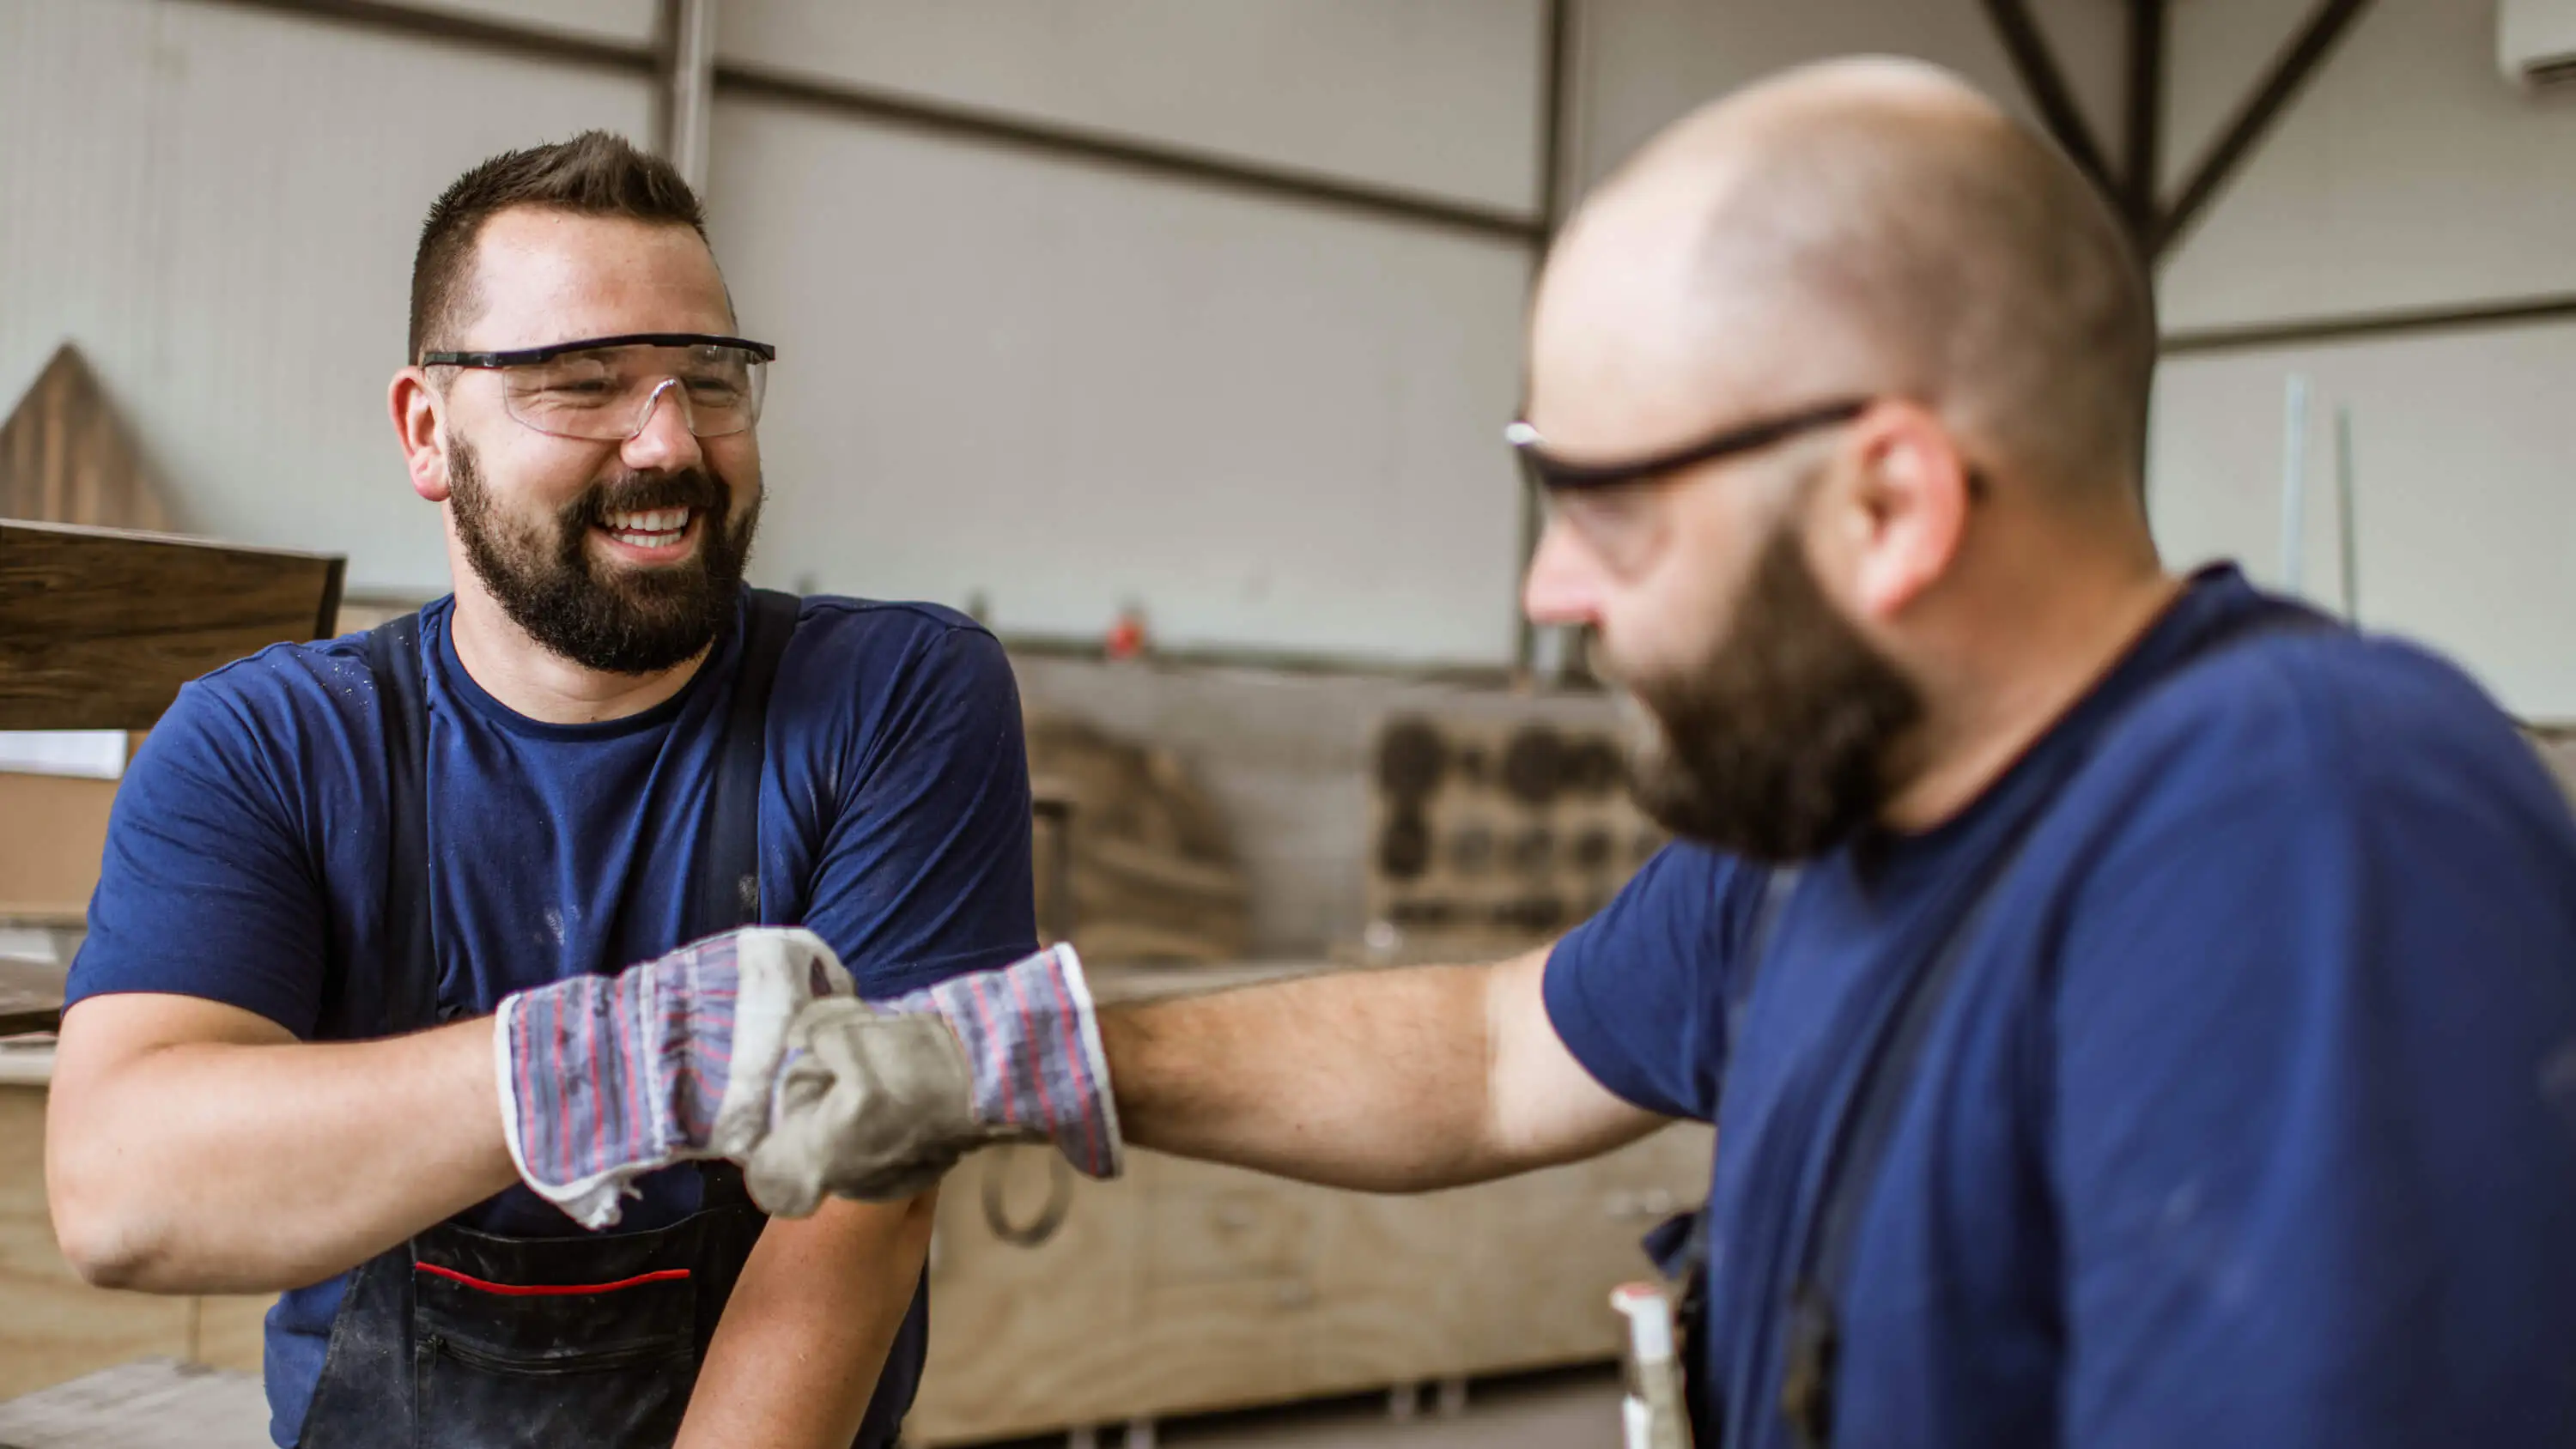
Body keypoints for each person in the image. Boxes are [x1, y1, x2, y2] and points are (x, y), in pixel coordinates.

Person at [740, 60, 2576, 1449]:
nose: (1550, 588)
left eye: (1600, 508)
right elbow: (1479, 1056)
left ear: (1889, 502)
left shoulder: (2297, 836)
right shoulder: (1825, 836)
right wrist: (1008, 1054)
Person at [46, 131, 1045, 1449]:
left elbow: (868, 1206)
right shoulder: (267, 743)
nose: (669, 442)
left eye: (710, 378)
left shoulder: (896, 698)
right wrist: (605, 1064)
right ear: (428, 429)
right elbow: (120, 1191)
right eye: (583, 385)